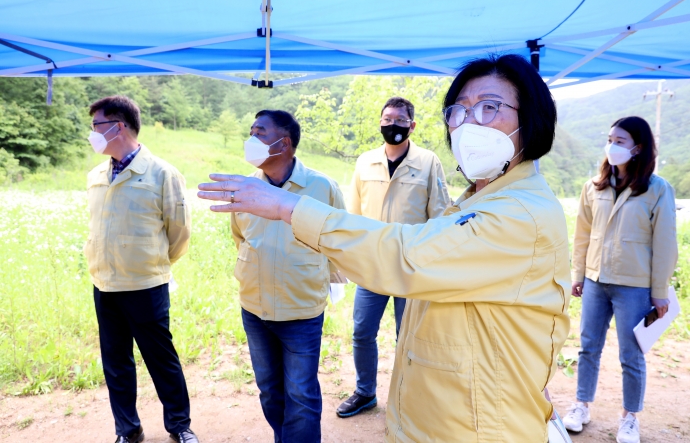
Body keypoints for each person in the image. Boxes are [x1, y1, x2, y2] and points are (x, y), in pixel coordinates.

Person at [198, 53, 571, 442]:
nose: (468, 123)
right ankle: (365, 390)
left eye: (489, 107)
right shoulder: (474, 200)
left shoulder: (520, 213)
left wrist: (287, 207)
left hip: (478, 429)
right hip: (443, 414)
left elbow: (407, 256)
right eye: (458, 111)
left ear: (531, 118)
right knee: (359, 337)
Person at [84, 96, 198, 443]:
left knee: (161, 359)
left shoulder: (162, 173)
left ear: (118, 126)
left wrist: (154, 264)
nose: (92, 133)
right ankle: (128, 430)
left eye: (97, 125)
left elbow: (179, 232)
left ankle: (179, 425)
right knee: (116, 363)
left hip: (145, 285)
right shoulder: (96, 175)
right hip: (104, 284)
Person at [231, 110, 345, 442]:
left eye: (260, 132)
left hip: (301, 312)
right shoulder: (246, 187)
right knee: (269, 390)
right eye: (251, 131)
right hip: (255, 308)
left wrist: (334, 282)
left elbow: (340, 240)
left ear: (284, 144)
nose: (251, 139)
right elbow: (239, 236)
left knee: (301, 394)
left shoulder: (321, 187)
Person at [562, 116, 678, 443]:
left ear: (637, 148)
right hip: (596, 281)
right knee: (588, 347)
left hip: (635, 285)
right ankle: (581, 406)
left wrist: (659, 292)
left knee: (631, 354)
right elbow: (582, 236)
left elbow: (665, 245)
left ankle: (630, 418)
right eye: (610, 139)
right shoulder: (593, 186)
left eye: (620, 141)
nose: (612, 146)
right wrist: (578, 275)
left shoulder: (657, 189)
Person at [337, 96, 450, 418]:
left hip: (410, 265)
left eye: (400, 120)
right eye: (387, 119)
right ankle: (365, 392)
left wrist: (431, 259)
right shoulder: (365, 162)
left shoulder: (428, 162)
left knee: (408, 335)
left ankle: (408, 395)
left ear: (412, 126)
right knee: (362, 332)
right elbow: (353, 213)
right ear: (380, 122)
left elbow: (440, 213)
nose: (393, 125)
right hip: (372, 263)